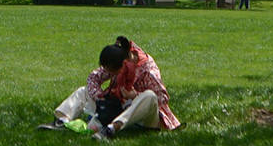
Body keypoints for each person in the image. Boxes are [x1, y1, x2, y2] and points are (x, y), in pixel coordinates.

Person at [38, 35, 182, 139]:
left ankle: (111, 129)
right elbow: (93, 77)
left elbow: (162, 99)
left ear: (124, 65)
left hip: (144, 117)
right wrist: (99, 96)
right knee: (83, 91)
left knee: (149, 96)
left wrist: (134, 96)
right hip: (115, 108)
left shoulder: (148, 70)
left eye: (112, 72)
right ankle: (62, 120)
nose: (109, 74)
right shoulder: (118, 58)